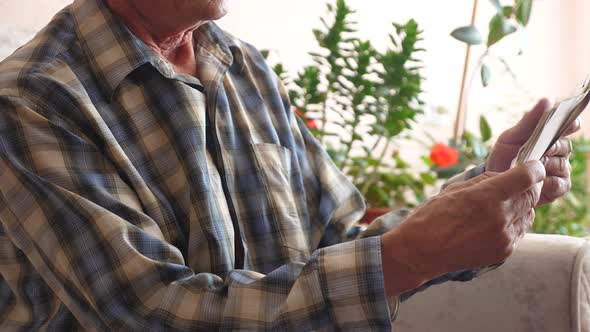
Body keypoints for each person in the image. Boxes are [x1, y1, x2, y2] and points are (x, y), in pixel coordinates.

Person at [0, 0, 579, 330]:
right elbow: (152, 314)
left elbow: (339, 238)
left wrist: (482, 190)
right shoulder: (30, 102)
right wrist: (406, 258)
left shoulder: (240, 65)